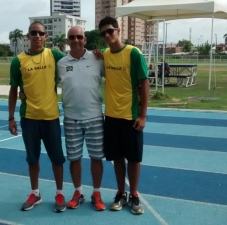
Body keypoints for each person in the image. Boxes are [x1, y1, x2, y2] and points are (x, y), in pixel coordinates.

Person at [8, 21, 66, 212]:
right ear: (28, 36)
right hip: (29, 118)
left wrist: (95, 55)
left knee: (57, 158)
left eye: (41, 33)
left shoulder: (54, 55)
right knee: (32, 159)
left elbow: (75, 61)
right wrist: (10, 117)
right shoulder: (18, 61)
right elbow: (13, 89)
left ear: (46, 36)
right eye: (34, 33)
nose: (37, 36)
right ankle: (35, 193)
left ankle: (59, 193)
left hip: (51, 118)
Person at [98, 16, 149, 214]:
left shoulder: (134, 53)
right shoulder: (104, 54)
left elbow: (144, 84)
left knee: (134, 158)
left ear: (118, 30)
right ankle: (121, 192)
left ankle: (134, 194)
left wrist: (143, 115)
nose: (107, 35)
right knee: (117, 157)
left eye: (110, 30)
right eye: (103, 33)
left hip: (131, 116)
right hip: (111, 116)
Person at [57, 26, 105, 211]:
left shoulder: (98, 58)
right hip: (71, 118)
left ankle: (97, 192)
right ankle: (78, 192)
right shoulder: (61, 63)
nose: (75, 40)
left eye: (79, 37)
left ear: (85, 39)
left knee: (96, 157)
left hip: (94, 117)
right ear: (67, 40)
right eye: (72, 37)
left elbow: (116, 76)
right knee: (74, 158)